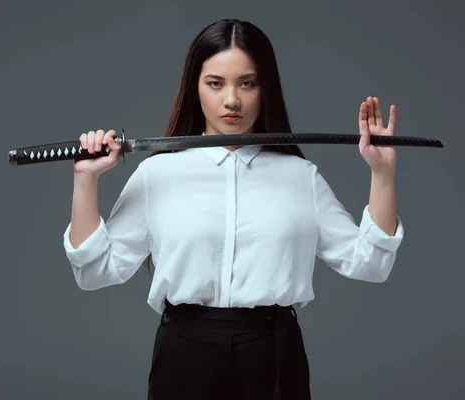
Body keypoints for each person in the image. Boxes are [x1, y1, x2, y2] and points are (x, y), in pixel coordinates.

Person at [63, 18, 404, 400]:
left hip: (273, 352)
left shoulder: (300, 176)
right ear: (195, 89)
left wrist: (383, 173)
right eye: (215, 83)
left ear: (265, 89)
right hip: (185, 353)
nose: (232, 100)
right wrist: (85, 180)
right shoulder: (157, 174)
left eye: (247, 83)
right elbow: (94, 272)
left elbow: (371, 265)